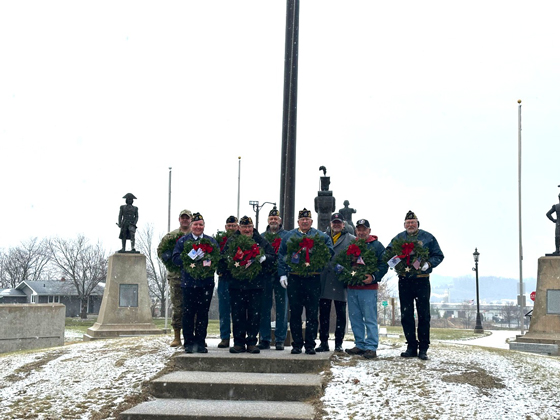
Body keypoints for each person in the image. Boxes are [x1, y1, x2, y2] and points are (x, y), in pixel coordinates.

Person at [385, 210, 444, 360]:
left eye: (413, 222)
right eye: (408, 223)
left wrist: (429, 263)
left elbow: (438, 255)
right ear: (404, 225)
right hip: (405, 280)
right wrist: (396, 262)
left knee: (423, 314)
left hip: (422, 279)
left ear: (417, 223)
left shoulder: (428, 238)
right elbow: (388, 254)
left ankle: (423, 347)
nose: (410, 225)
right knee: (406, 314)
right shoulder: (399, 238)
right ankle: (411, 345)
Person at [278, 208, 334, 355]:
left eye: (307, 220)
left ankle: (310, 344)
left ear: (311, 221)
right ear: (298, 221)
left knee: (312, 313)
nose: (304, 222)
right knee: (295, 313)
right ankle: (296, 344)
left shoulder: (320, 236)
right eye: (302, 220)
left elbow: (329, 251)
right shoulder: (289, 236)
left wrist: (318, 261)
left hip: (313, 277)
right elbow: (281, 255)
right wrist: (282, 274)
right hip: (295, 278)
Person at [224, 216, 275, 354]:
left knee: (254, 314)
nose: (247, 230)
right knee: (238, 314)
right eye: (244, 227)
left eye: (249, 227)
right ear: (239, 228)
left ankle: (252, 342)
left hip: (256, 284)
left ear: (253, 227)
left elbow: (272, 256)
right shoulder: (232, 241)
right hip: (236, 284)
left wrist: (264, 259)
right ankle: (239, 343)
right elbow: (223, 259)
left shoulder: (260, 241)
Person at [172, 213, 218, 354]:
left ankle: (200, 342)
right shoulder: (183, 241)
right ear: (191, 225)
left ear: (204, 226)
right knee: (189, 314)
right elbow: (175, 258)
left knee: (203, 313)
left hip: (206, 283)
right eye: (196, 224)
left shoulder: (210, 242)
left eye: (201, 224)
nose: (198, 227)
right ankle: (189, 342)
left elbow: (217, 258)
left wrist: (207, 260)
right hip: (189, 283)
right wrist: (190, 256)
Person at [345, 219, 388, 359]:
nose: (361, 232)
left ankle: (371, 346)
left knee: (369, 317)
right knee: (355, 317)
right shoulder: (352, 244)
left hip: (369, 288)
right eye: (359, 229)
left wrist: (374, 277)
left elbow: (384, 264)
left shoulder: (376, 246)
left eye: (364, 229)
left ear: (369, 230)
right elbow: (344, 261)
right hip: (352, 287)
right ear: (356, 231)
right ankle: (360, 344)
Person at [316, 213, 354, 353]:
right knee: (323, 315)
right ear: (330, 224)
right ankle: (323, 342)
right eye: (334, 222)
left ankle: (338, 343)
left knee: (341, 315)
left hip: (340, 281)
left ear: (343, 224)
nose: (336, 225)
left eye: (339, 222)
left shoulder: (351, 239)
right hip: (324, 280)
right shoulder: (321, 238)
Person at [157, 209, 192, 347]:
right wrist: (169, 260)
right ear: (179, 219)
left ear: (190, 219)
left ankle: (193, 337)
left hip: (192, 276)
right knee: (178, 307)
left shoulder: (195, 235)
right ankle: (177, 336)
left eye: (187, 218)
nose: (185, 220)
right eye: (183, 218)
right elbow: (161, 250)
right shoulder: (171, 236)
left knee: (193, 308)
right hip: (176, 276)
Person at [258, 207, 289, 350]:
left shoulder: (287, 236)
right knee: (264, 307)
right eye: (271, 219)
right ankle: (264, 338)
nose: (273, 221)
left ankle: (280, 339)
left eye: (276, 218)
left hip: (281, 275)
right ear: (268, 221)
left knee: (281, 308)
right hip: (265, 276)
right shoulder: (261, 236)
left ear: (280, 220)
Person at [216, 216, 239, 348]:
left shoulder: (242, 240)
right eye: (229, 226)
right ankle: (225, 337)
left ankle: (238, 338)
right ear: (226, 227)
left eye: (234, 225)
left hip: (238, 278)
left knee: (238, 310)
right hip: (224, 277)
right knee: (224, 310)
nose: (231, 228)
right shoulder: (220, 241)